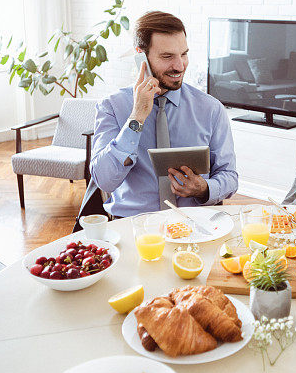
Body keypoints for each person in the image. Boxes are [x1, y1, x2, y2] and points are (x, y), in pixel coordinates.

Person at [89, 11, 238, 218]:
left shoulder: (211, 109)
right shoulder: (111, 107)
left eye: (183, 54)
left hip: (195, 225)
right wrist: (137, 117)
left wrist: (204, 188)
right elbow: (104, 180)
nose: (179, 66)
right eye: (167, 56)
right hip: (132, 225)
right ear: (141, 55)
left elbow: (230, 177)